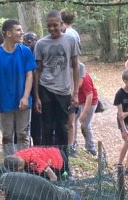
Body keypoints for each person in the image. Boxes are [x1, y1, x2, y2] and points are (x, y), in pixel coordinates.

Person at [34, 10, 80, 172]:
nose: (52, 29)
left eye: (55, 25)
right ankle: (47, 167)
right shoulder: (41, 44)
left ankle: (64, 167)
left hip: (64, 91)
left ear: (61, 24)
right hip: (46, 88)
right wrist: (37, 96)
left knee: (63, 129)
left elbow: (75, 67)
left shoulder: (70, 40)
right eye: (49, 26)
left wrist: (75, 93)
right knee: (46, 129)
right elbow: (37, 71)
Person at [0, 19, 37, 155]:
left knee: (23, 135)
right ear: (8, 33)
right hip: (4, 103)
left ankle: (24, 164)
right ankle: (11, 166)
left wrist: (25, 97)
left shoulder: (25, 52)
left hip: (23, 103)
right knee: (7, 137)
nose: (22, 33)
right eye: (18, 30)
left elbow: (29, 75)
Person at [23, 32, 43, 147]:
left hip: (37, 95)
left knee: (37, 127)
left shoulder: (40, 58)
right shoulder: (20, 56)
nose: (29, 41)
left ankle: (37, 150)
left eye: (32, 39)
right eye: (26, 39)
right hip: (23, 96)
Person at [76, 63, 98, 156]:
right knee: (73, 122)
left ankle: (91, 148)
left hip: (90, 102)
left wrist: (84, 113)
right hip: (79, 101)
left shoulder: (84, 79)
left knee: (85, 125)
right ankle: (72, 144)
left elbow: (90, 96)